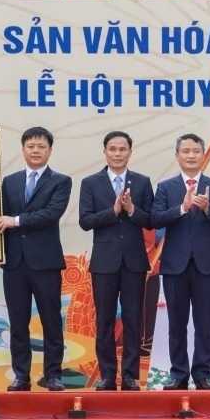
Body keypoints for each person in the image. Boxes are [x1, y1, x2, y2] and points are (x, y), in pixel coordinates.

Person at [151, 133, 210, 390]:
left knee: (204, 324)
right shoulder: (166, 187)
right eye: (185, 151)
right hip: (175, 266)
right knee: (176, 324)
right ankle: (178, 374)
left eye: (195, 151)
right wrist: (183, 208)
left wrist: (208, 208)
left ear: (203, 154)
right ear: (177, 156)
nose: (190, 155)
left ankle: (202, 375)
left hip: (206, 266)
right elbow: (155, 220)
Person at [0, 126, 72, 392]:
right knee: (18, 322)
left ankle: (53, 376)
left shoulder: (61, 181)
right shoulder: (8, 181)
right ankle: (21, 376)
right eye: (31, 146)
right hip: (14, 263)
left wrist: (15, 221)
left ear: (50, 150)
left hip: (45, 263)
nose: (36, 150)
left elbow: (50, 214)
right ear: (23, 149)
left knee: (52, 321)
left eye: (41, 146)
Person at [78, 130, 155, 391]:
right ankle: (108, 376)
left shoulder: (142, 182)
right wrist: (111, 212)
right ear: (105, 152)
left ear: (130, 152)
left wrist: (132, 210)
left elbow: (151, 219)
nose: (118, 153)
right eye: (113, 149)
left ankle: (131, 376)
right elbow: (85, 221)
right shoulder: (90, 183)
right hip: (104, 262)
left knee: (134, 319)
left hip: (134, 261)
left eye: (122, 149)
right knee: (105, 320)